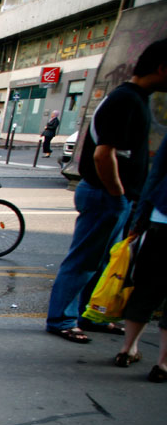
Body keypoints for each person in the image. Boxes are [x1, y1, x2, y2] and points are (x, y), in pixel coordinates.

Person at [45, 39, 167, 343]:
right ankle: (62, 318)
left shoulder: (133, 98)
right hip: (105, 194)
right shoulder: (126, 100)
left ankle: (88, 314)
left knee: (99, 261)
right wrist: (116, 194)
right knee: (84, 260)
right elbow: (103, 154)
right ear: (162, 68)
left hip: (111, 195)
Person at [113, 133, 167, 382]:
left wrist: (139, 220)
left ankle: (127, 349)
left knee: (146, 288)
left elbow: (155, 176)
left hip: (161, 220)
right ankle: (163, 364)